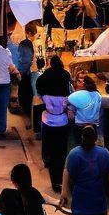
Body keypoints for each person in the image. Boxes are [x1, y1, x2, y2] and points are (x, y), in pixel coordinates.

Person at [35, 55, 72, 191]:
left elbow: (39, 91)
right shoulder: (66, 75)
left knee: (48, 146)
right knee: (60, 151)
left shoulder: (44, 77)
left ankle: (49, 164)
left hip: (48, 121)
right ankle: (59, 179)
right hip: (62, 122)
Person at [68, 73, 102, 145]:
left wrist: (75, 120)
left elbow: (70, 114)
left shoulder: (78, 95)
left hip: (80, 125)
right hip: (93, 125)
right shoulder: (98, 95)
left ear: (84, 84)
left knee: (79, 145)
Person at [16, 23, 39, 122]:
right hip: (25, 74)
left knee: (24, 93)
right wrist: (20, 74)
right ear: (29, 33)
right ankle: (27, 115)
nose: (35, 37)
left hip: (25, 73)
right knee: (27, 94)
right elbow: (25, 60)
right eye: (35, 35)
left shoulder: (24, 43)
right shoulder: (27, 44)